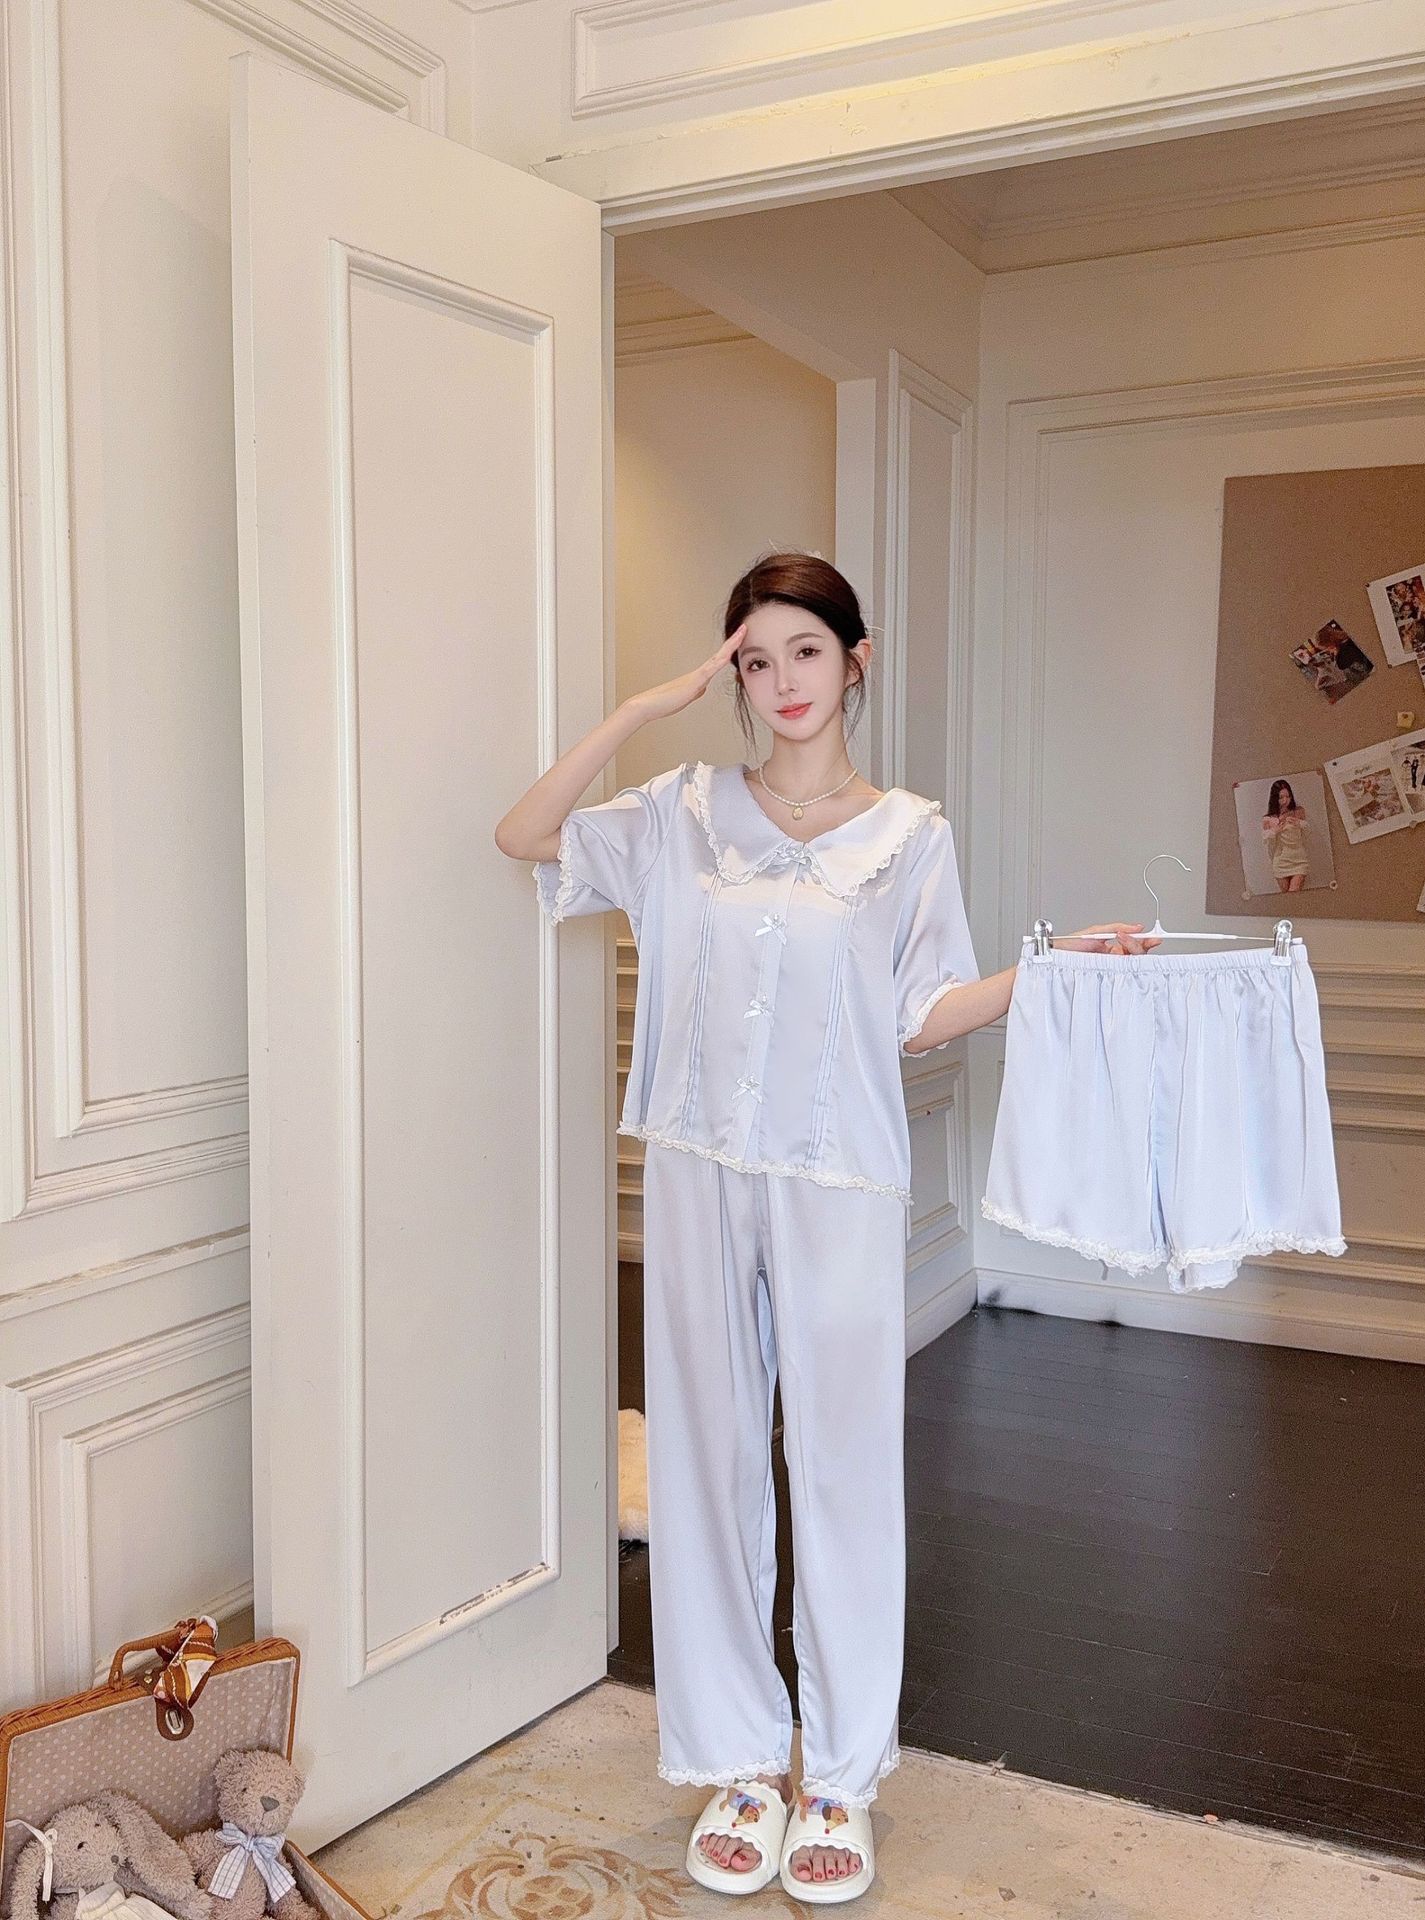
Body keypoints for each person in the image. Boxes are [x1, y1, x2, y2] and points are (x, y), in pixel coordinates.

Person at [494, 552, 1153, 1903]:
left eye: (805, 649)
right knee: (704, 1457)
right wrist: (641, 709)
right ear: (731, 674)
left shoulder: (909, 835)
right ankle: (740, 1759)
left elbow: (918, 1013)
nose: (781, 680)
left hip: (839, 1174)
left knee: (844, 1466)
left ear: (857, 660)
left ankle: (840, 1774)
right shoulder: (678, 813)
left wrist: (1047, 969)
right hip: (694, 1167)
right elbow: (524, 834)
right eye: (754, 658)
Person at [1262, 778, 1309, 892]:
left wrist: (1299, 823)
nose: (1285, 800)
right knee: (1287, 899)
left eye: (1288, 796)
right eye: (1281, 797)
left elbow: (1308, 831)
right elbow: (1265, 840)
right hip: (1281, 862)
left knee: (1294, 892)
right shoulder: (1269, 819)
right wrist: (1275, 831)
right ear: (1275, 798)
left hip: (1299, 860)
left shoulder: (1298, 811)